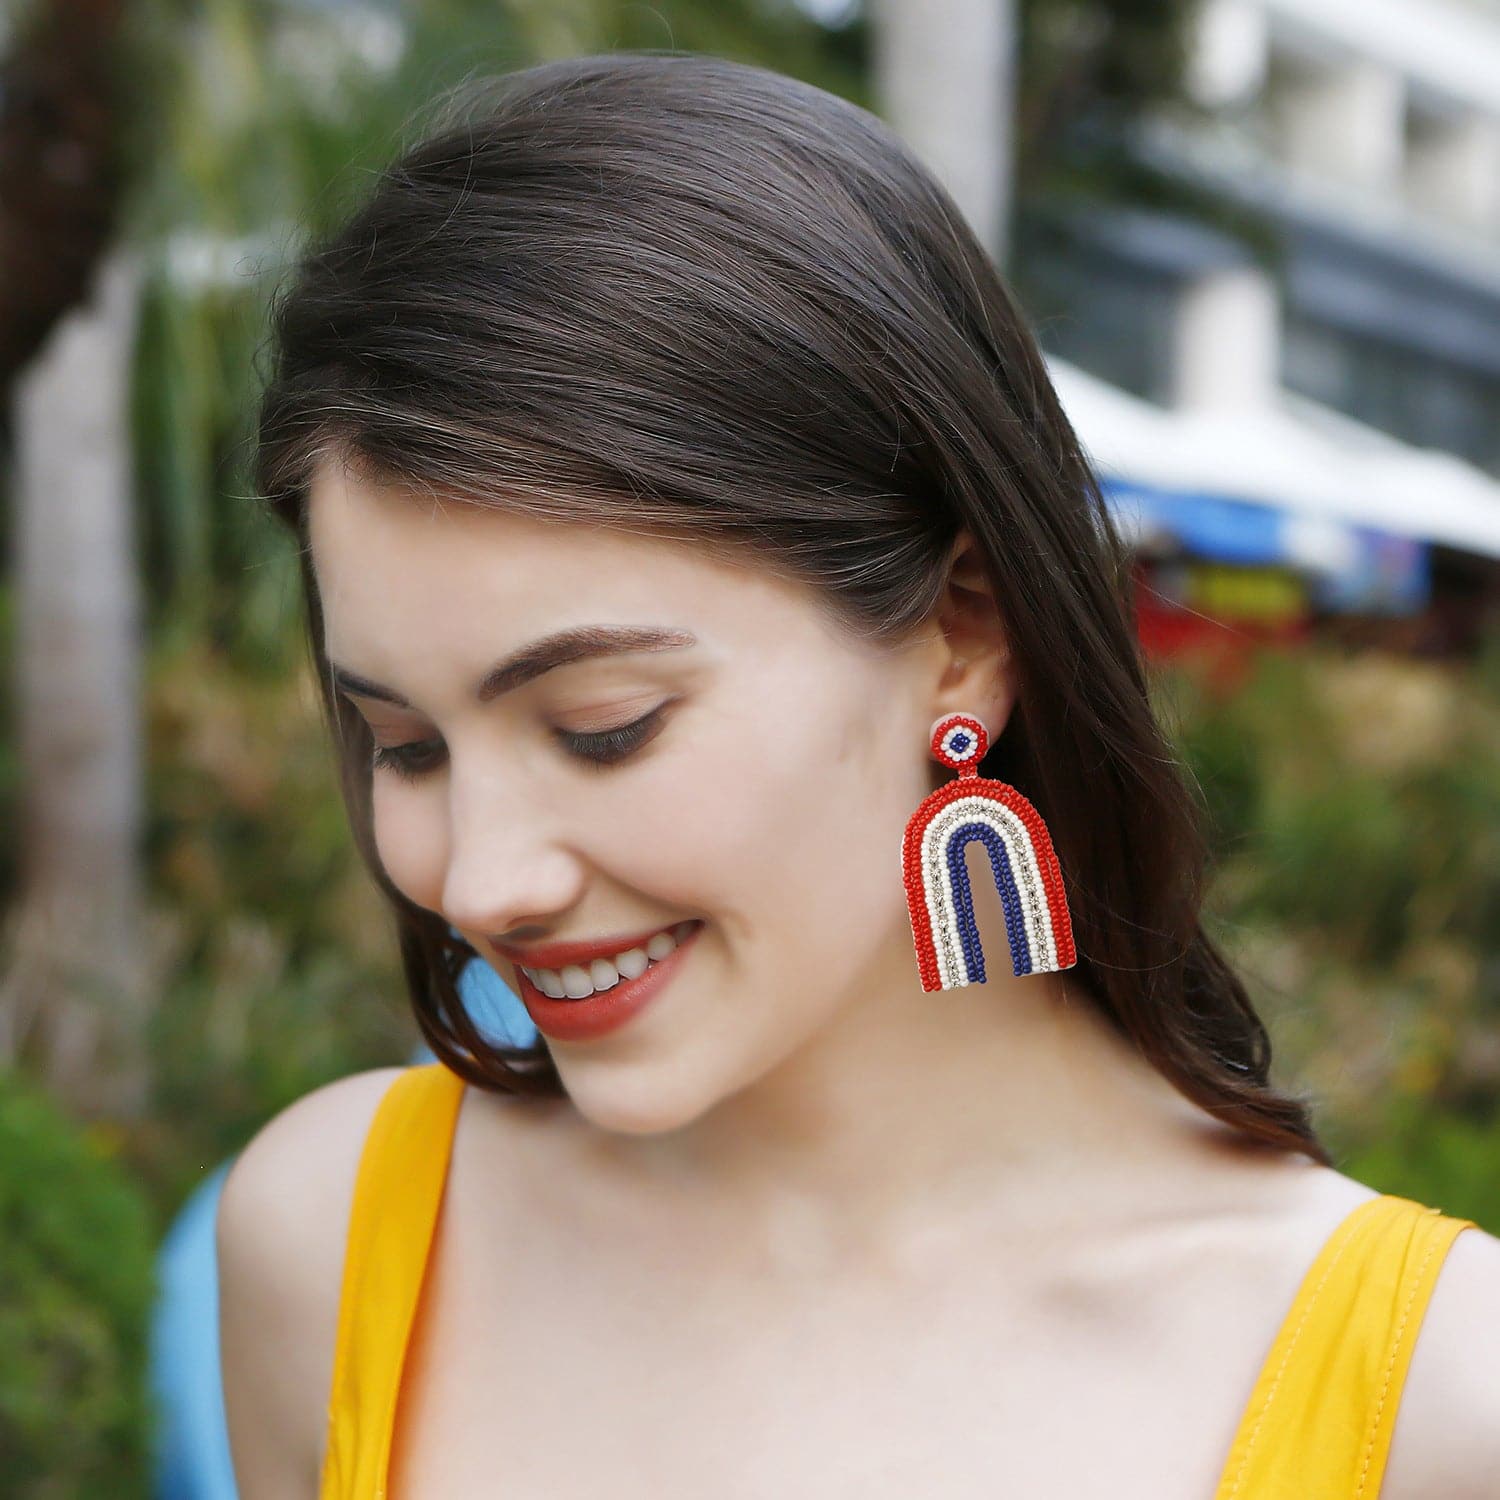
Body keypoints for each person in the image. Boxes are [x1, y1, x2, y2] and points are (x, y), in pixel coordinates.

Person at [216, 51, 1500, 1500]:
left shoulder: (1434, 1405)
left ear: (963, 633)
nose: (487, 877)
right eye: (408, 746)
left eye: (605, 725)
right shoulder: (329, 1238)